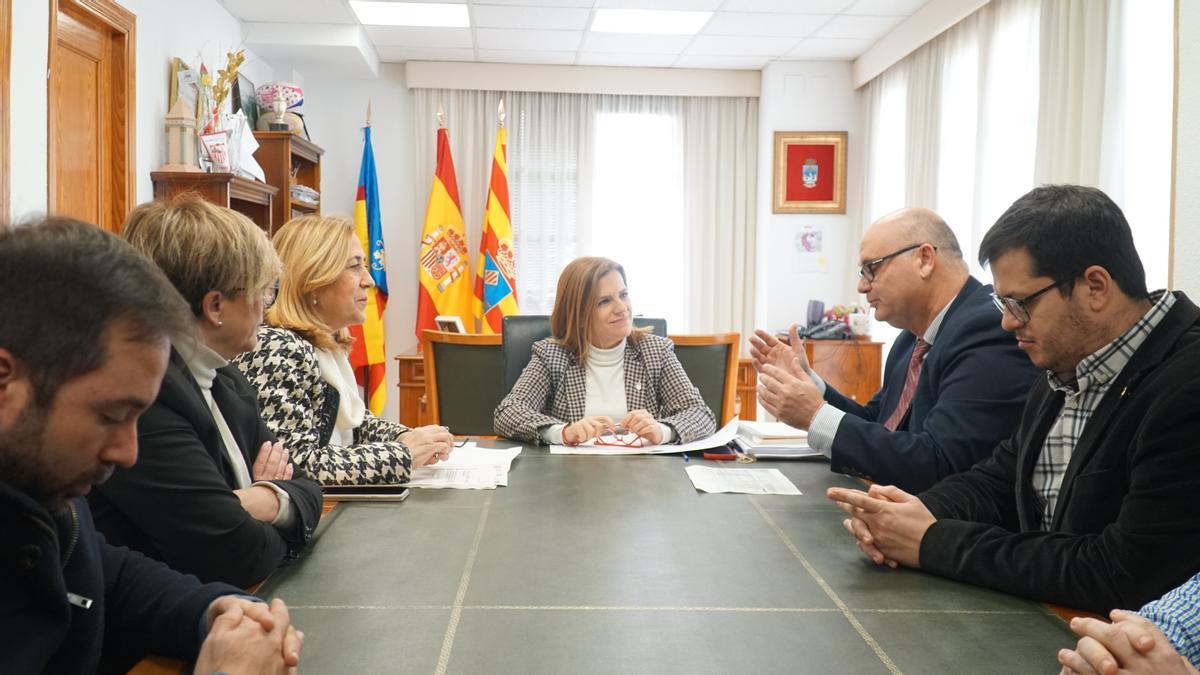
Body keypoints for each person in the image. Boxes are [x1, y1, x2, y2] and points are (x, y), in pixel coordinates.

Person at [827, 185, 1200, 614]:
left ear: (1095, 286)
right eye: (1002, 303)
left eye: (1020, 303)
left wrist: (931, 541)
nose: (1006, 322)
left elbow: (1119, 572)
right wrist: (905, 514)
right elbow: (1000, 480)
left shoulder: (1186, 383)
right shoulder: (1063, 366)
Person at [0, 217, 302, 673]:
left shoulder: (43, 484)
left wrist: (218, 610)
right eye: (110, 416)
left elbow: (107, 572)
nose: (128, 452)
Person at [84, 197, 322, 588]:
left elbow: (308, 485)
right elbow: (235, 555)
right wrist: (272, 506)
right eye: (263, 292)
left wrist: (260, 499)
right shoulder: (148, 400)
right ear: (215, 306)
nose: (266, 307)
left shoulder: (226, 380)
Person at [752, 207, 1038, 492]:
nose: (862, 286)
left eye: (871, 268)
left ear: (924, 259)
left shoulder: (989, 330)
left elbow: (939, 464)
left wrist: (815, 415)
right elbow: (878, 423)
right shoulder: (910, 339)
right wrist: (813, 386)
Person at [234, 214, 454, 484]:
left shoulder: (324, 345)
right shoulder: (277, 348)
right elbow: (298, 465)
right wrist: (404, 454)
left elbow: (355, 426)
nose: (369, 280)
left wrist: (407, 438)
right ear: (312, 280)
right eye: (354, 267)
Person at [494, 256, 716, 445]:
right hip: (570, 480)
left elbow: (701, 414)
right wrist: (563, 433)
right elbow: (508, 413)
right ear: (578, 316)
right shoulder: (552, 356)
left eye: (624, 294)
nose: (622, 308)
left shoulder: (656, 352)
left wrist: (662, 431)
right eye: (604, 302)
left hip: (641, 479)